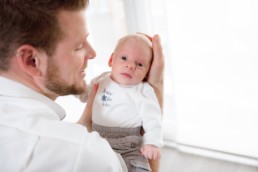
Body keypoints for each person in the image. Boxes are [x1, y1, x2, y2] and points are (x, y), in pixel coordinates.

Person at [0, 0, 164, 171]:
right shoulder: (87, 154)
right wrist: (157, 89)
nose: (93, 53)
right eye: (78, 46)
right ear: (32, 61)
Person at [78, 34, 163, 172]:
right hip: (97, 139)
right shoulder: (102, 80)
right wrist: (77, 88)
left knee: (137, 166)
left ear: (147, 72)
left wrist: (152, 143)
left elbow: (153, 118)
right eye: (124, 58)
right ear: (111, 60)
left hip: (129, 145)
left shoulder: (142, 90)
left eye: (139, 64)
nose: (130, 66)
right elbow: (86, 96)